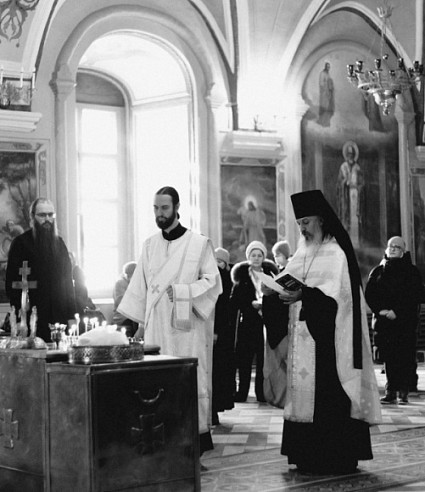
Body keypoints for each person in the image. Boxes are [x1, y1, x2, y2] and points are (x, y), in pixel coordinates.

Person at [279, 189, 381, 475]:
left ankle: (334, 457)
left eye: (307, 222)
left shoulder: (336, 253)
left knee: (326, 396)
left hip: (329, 344)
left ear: (321, 220)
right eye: (299, 223)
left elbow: (339, 301)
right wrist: (276, 291)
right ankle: (304, 455)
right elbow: (290, 282)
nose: (302, 228)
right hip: (302, 339)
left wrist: (305, 295)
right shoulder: (302, 252)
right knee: (303, 395)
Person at [117, 186, 222, 455]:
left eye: (164, 208)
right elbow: (140, 287)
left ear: (177, 208)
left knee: (186, 380)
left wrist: (185, 291)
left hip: (187, 329)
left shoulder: (199, 244)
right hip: (156, 328)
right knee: (158, 383)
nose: (160, 213)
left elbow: (213, 282)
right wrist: (140, 326)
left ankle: (192, 445)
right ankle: (160, 445)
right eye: (156, 208)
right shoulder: (149, 245)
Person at [5, 198, 76, 342]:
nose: (47, 219)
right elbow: (12, 284)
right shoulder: (21, 244)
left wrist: (71, 316)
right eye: (42, 215)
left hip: (59, 318)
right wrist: (19, 317)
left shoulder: (60, 244)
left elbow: (68, 283)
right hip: (32, 317)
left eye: (51, 215)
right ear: (32, 217)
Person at [365, 236, 425, 404]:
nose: (392, 249)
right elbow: (370, 294)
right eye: (390, 246)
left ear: (403, 251)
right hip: (385, 322)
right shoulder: (378, 271)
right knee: (389, 357)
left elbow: (415, 295)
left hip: (404, 322)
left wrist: (397, 311)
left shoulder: (411, 271)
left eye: (396, 247)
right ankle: (391, 390)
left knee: (405, 357)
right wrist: (381, 310)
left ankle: (403, 391)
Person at [230, 240, 278, 403]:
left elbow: (277, 297)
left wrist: (267, 304)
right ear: (248, 257)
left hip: (265, 322)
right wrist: (250, 304)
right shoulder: (241, 276)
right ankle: (242, 392)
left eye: (259, 255)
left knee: (263, 360)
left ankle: (261, 392)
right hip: (247, 323)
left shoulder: (270, 275)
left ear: (263, 257)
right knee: (244, 359)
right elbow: (234, 301)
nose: (256, 258)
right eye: (253, 255)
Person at [261, 240, 291, 408]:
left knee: (285, 363)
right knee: (276, 365)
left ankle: (285, 398)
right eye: (274, 255)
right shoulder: (277, 273)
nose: (276, 258)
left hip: (283, 325)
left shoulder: (290, 273)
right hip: (273, 323)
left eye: (278, 255)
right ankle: (277, 397)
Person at [212, 247, 235, 425]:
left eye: (220, 262)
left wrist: (216, 331)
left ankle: (215, 409)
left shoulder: (223, 278)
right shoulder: (217, 276)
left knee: (218, 370)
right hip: (219, 329)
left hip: (220, 330)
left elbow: (221, 307)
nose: (217, 264)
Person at [336, 141, 364, 248]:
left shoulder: (357, 167)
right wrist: (345, 182)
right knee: (346, 218)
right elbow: (339, 183)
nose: (350, 156)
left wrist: (359, 187)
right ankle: (346, 244)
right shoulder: (343, 167)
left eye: (352, 154)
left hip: (355, 196)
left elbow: (362, 183)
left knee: (355, 219)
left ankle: (355, 243)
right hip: (346, 197)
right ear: (346, 155)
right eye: (348, 154)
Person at [112, 261, 138, 336]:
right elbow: (122, 303)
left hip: (133, 316)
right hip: (123, 318)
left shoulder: (134, 283)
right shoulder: (120, 283)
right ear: (128, 275)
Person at [318, 61, 334, 127]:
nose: (328, 68)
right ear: (325, 67)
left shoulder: (328, 74)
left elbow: (329, 82)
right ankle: (322, 122)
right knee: (323, 107)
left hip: (328, 93)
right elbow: (321, 83)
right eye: (327, 67)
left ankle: (326, 122)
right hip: (324, 93)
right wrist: (327, 86)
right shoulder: (322, 73)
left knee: (328, 108)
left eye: (329, 67)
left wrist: (330, 87)